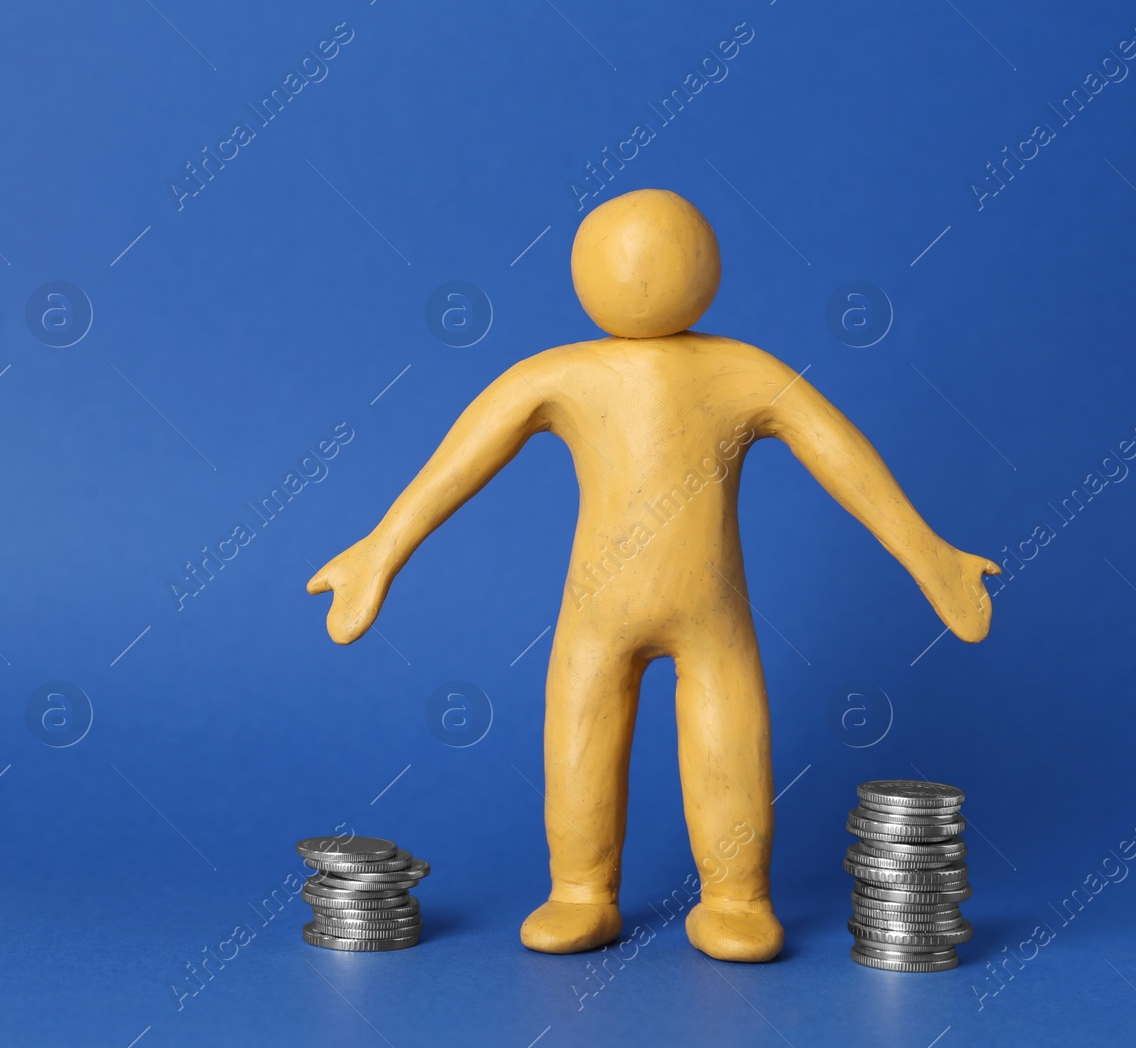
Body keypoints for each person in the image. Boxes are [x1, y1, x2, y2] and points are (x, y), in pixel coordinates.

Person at [308, 188, 999, 962]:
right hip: (613, 615)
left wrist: (928, 553)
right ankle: (581, 889)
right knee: (584, 739)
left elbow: (841, 459)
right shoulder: (575, 375)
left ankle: (735, 896)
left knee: (716, 741)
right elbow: (459, 463)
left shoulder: (736, 372)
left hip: (698, 613)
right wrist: (380, 548)